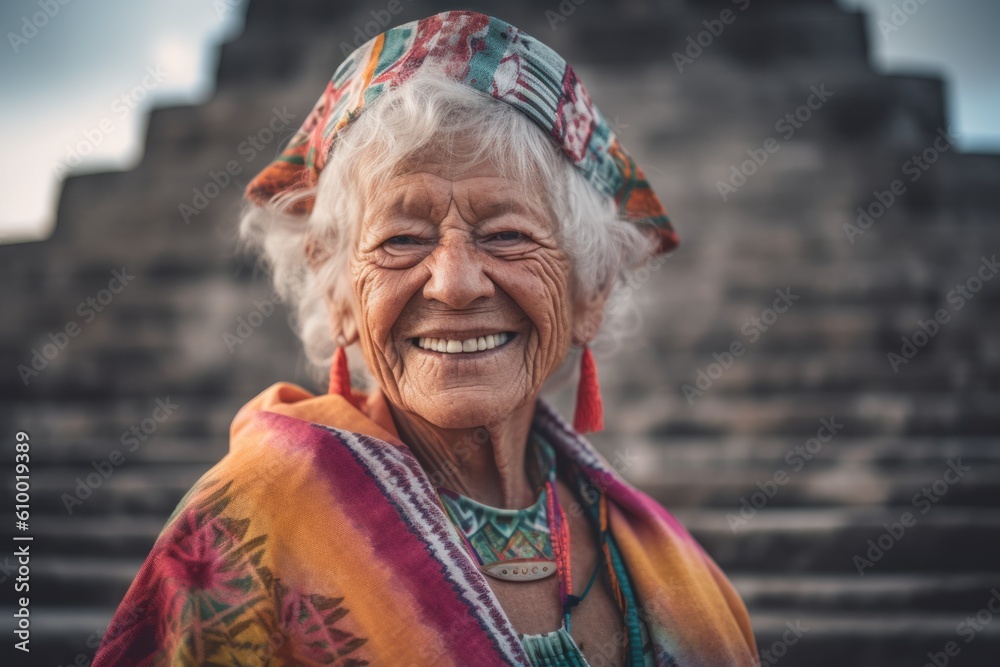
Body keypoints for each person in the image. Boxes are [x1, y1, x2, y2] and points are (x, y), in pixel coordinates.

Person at [93, 10, 758, 666]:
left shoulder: (664, 564)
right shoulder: (243, 527)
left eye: (507, 234)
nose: (454, 283)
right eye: (402, 239)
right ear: (338, 293)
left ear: (591, 292)